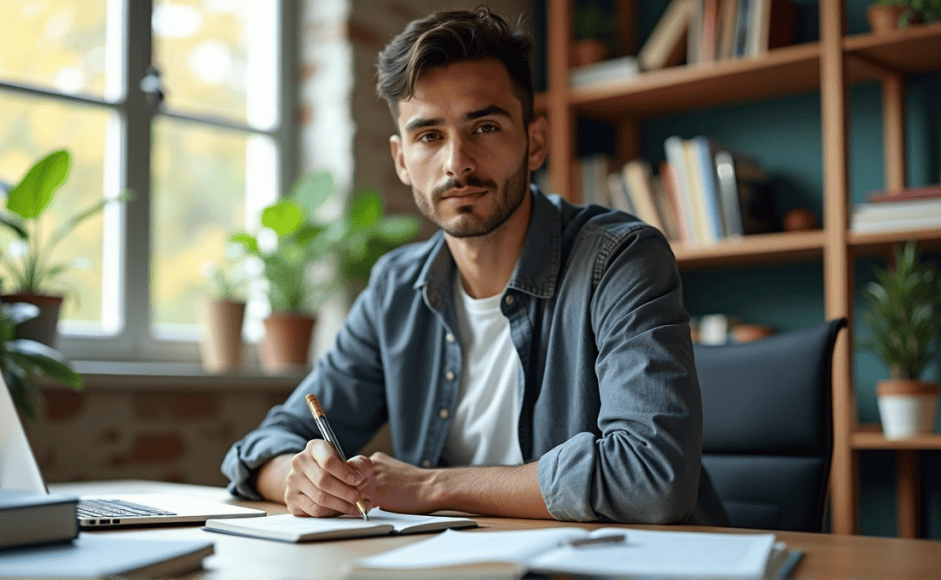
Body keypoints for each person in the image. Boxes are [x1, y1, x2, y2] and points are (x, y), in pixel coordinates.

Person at [222, 7, 726, 524]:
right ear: (401, 160)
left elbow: (651, 477)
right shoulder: (396, 287)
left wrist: (432, 486)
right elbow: (263, 446)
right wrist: (302, 478)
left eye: (484, 126)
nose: (457, 162)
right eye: (429, 136)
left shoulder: (619, 260)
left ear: (534, 141)